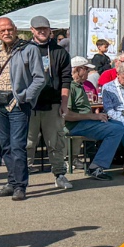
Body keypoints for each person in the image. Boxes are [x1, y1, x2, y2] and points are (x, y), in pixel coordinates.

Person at [0, 17, 45, 200]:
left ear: (15, 29)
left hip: (17, 103)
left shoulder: (29, 49)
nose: (6, 33)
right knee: (6, 145)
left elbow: (40, 78)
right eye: (2, 30)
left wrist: (24, 97)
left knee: (18, 146)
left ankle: (20, 186)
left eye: (9, 29)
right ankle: (11, 182)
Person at [64, 57, 124, 178]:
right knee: (116, 129)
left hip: (85, 122)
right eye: (86, 69)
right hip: (75, 125)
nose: (89, 72)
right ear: (77, 70)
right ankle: (96, 167)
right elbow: (66, 115)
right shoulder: (69, 87)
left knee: (123, 126)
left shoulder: (78, 86)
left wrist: (94, 117)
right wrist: (93, 116)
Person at [24, 15, 73, 191]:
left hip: (52, 103)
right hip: (28, 104)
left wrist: (64, 103)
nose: (42, 31)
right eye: (38, 29)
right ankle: (21, 178)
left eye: (45, 28)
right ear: (32, 30)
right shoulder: (24, 50)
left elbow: (66, 79)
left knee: (56, 142)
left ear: (50, 30)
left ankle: (59, 175)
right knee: (27, 143)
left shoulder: (60, 52)